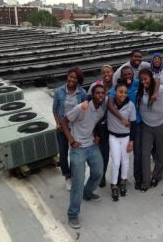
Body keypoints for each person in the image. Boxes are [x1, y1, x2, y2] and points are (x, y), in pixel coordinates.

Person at [61, 84, 106, 229]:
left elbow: (96, 123)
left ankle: (88, 193)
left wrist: (97, 135)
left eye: (102, 93)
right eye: (97, 93)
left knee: (99, 171)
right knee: (78, 182)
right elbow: (63, 121)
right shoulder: (81, 107)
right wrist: (71, 140)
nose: (100, 95)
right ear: (92, 95)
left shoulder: (102, 110)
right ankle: (73, 214)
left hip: (91, 145)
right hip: (78, 147)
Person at [52, 67, 86, 191]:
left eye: (75, 78)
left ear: (78, 80)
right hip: (62, 126)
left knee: (75, 153)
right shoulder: (59, 91)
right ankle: (67, 176)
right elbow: (55, 110)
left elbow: (84, 111)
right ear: (67, 76)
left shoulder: (82, 93)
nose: (72, 79)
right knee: (63, 153)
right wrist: (57, 123)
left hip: (75, 127)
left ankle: (75, 175)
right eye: (70, 76)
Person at [137, 68, 163, 192]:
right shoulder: (140, 91)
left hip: (161, 124)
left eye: (145, 79)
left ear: (150, 78)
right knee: (145, 153)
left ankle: (157, 176)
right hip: (146, 126)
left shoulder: (160, 90)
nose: (143, 82)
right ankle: (146, 181)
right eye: (141, 80)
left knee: (160, 153)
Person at [107, 80, 136, 201]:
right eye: (120, 92)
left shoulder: (131, 105)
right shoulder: (110, 104)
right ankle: (114, 185)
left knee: (125, 161)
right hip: (113, 137)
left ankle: (123, 182)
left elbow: (133, 124)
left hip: (126, 137)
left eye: (125, 92)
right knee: (116, 162)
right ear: (115, 92)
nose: (123, 94)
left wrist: (131, 142)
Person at [88, 65, 114, 187]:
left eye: (108, 71)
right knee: (96, 153)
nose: (106, 74)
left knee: (105, 152)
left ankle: (102, 176)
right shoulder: (95, 85)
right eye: (104, 72)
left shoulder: (116, 86)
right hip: (96, 126)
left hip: (110, 126)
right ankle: (96, 175)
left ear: (113, 72)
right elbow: (87, 101)